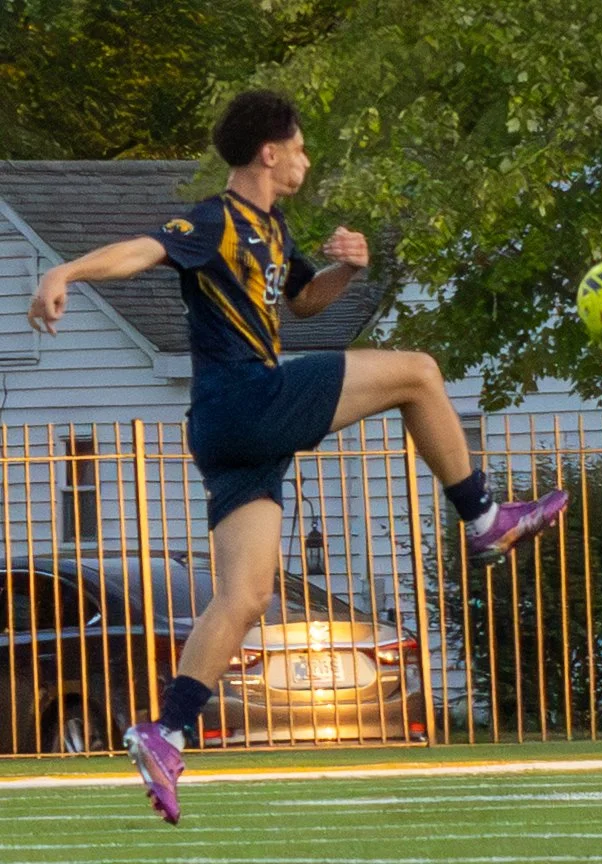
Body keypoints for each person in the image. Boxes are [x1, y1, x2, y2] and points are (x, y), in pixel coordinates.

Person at [26, 90, 568, 825]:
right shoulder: (215, 219)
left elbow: (304, 304)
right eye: (302, 146)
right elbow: (145, 248)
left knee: (244, 596)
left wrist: (345, 268)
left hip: (229, 432)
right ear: (269, 152)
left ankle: (168, 730)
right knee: (419, 373)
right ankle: (483, 516)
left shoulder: (272, 228)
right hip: (247, 400)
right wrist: (65, 274)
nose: (309, 158)